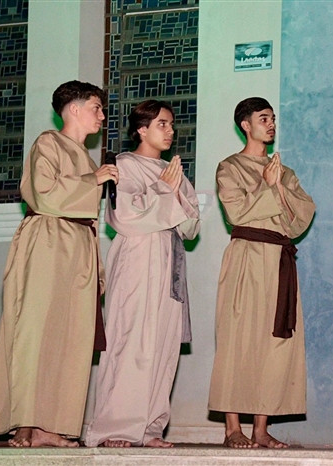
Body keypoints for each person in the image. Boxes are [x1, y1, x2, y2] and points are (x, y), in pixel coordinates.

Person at [0, 80, 118, 447]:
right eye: (96, 108)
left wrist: (97, 269)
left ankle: (51, 426)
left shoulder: (86, 157)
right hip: (47, 241)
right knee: (35, 331)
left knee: (70, 337)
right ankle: (25, 422)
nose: (102, 117)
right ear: (74, 109)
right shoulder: (48, 143)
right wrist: (92, 179)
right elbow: (43, 194)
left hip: (78, 247)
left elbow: (89, 219)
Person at [84, 100, 200, 448]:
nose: (170, 131)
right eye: (162, 124)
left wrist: (174, 190)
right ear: (141, 129)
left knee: (163, 345)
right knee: (132, 341)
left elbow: (191, 226)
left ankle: (150, 428)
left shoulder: (172, 170)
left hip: (169, 259)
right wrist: (165, 190)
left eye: (172, 124)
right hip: (138, 258)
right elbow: (124, 215)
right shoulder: (124, 165)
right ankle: (115, 428)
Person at [208, 97, 316, 449]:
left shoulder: (284, 172)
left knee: (274, 341)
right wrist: (267, 187)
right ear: (246, 125)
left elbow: (301, 217)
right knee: (238, 337)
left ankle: (260, 428)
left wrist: (278, 185)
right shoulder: (230, 167)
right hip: (247, 256)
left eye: (273, 119)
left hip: (278, 260)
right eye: (263, 118)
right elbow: (238, 213)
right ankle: (232, 428)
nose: (271, 124)